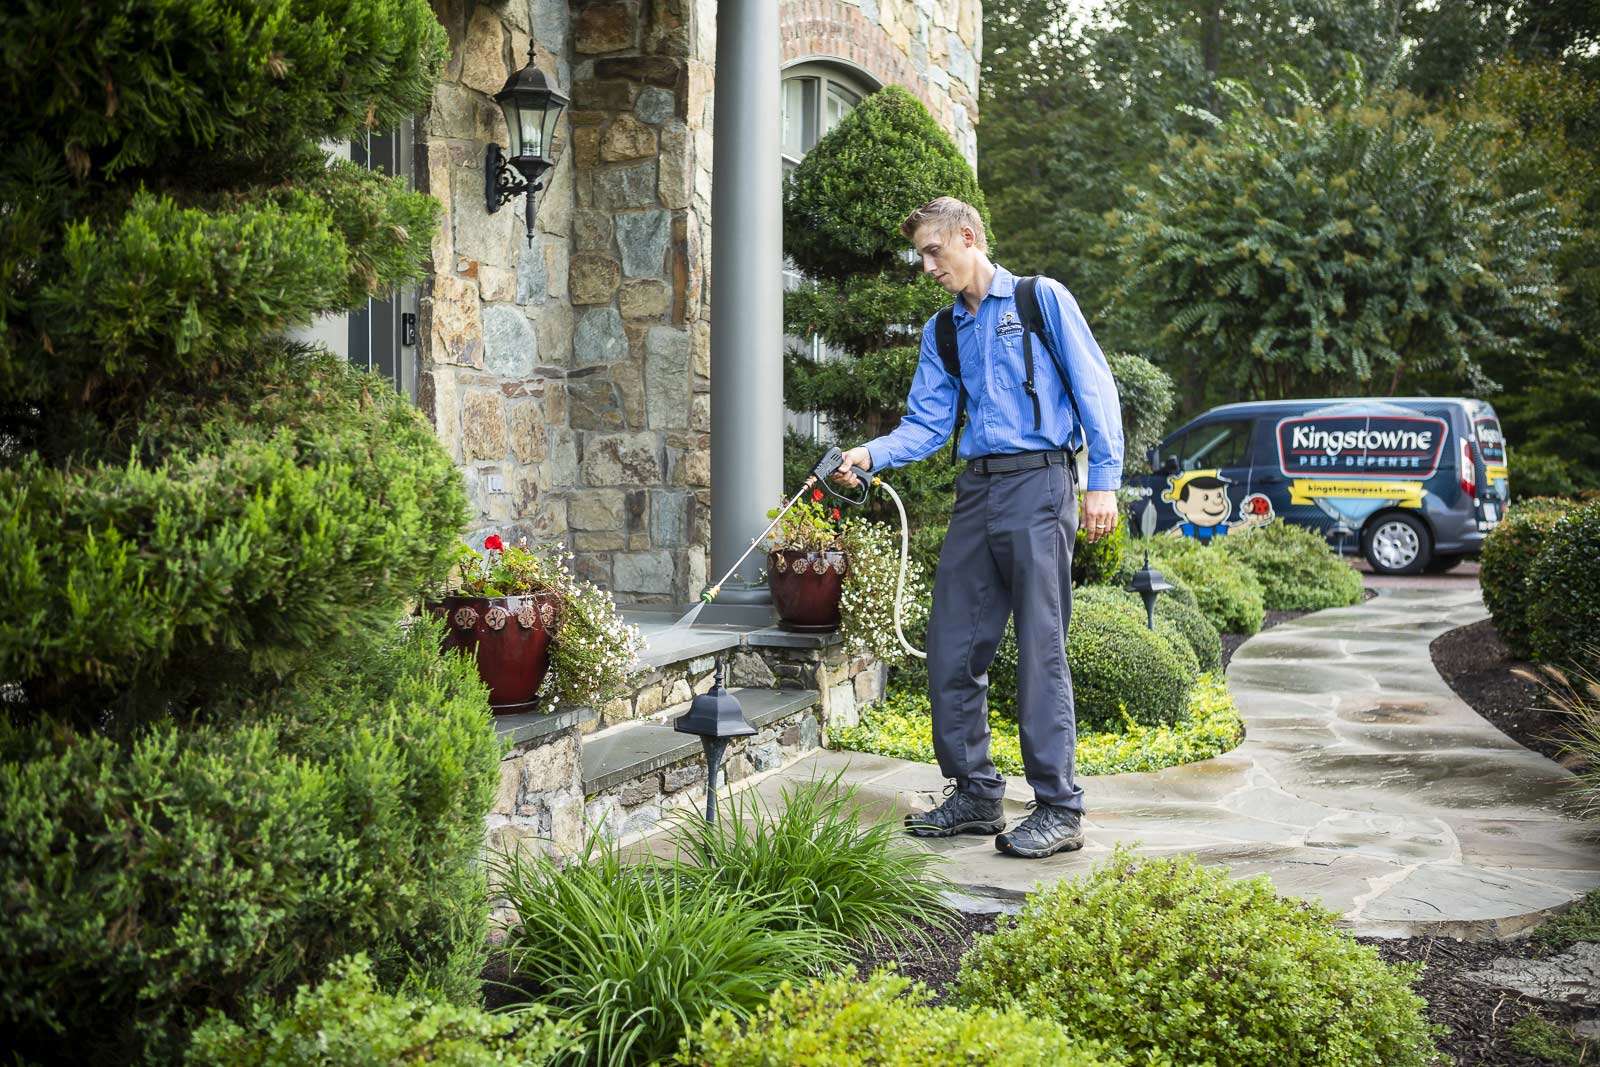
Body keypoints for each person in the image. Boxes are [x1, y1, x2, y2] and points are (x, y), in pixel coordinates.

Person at [831, 196, 1124, 859]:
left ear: (968, 237)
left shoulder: (1038, 301)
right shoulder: (942, 331)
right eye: (921, 256)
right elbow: (929, 424)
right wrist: (870, 455)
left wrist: (1103, 478)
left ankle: (1058, 805)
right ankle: (976, 790)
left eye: (934, 251)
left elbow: (1095, 386)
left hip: (1041, 484)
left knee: (1041, 646)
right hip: (978, 490)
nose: (927, 265)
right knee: (953, 641)